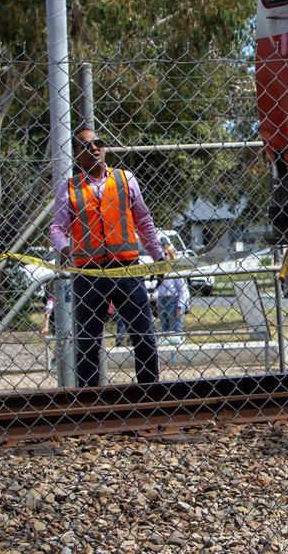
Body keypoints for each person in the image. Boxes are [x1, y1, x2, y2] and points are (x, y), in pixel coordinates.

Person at [49, 126, 165, 387]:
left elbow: (143, 220)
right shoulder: (69, 188)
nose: (93, 148)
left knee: (144, 336)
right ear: (77, 155)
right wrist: (65, 248)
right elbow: (57, 228)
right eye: (85, 146)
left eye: (97, 143)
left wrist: (157, 255)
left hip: (127, 270)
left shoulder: (125, 180)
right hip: (89, 275)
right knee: (88, 342)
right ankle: (90, 404)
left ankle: (151, 393)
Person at [155, 238, 190, 346]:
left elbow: (183, 290)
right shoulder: (159, 270)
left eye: (165, 254)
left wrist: (180, 306)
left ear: (170, 255)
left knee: (175, 331)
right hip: (162, 300)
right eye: (161, 254)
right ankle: (169, 358)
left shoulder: (176, 269)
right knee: (165, 331)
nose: (163, 257)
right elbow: (158, 288)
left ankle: (179, 352)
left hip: (173, 300)